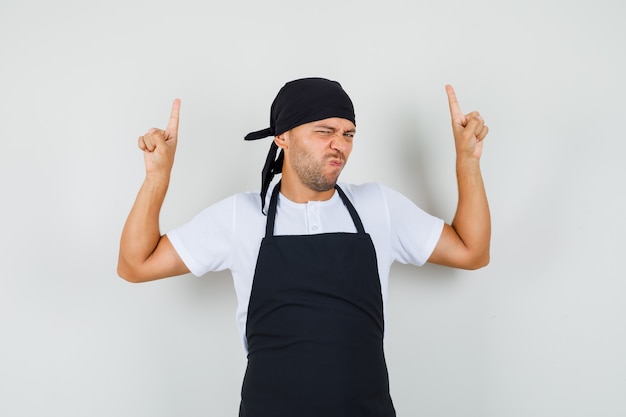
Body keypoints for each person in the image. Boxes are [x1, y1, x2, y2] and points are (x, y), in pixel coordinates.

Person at [117, 77, 490, 417]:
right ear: (283, 137)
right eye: (324, 130)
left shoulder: (378, 207)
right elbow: (135, 264)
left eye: (348, 134)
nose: (339, 144)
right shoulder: (241, 216)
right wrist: (157, 178)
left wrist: (467, 162)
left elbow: (471, 251)